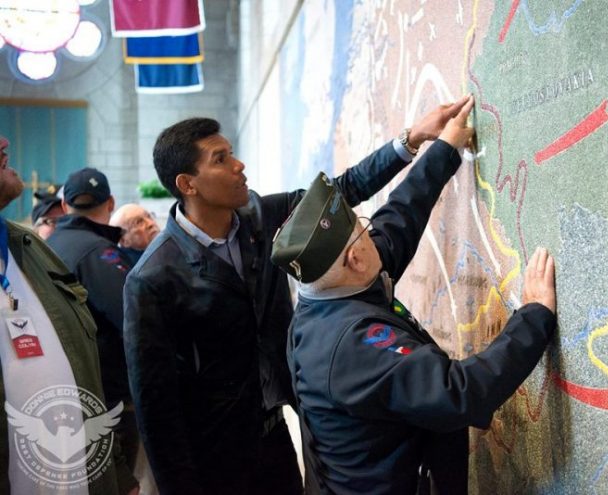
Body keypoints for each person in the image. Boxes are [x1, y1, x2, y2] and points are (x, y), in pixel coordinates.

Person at [123, 99, 468, 495]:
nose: (239, 166)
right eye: (221, 159)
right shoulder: (152, 278)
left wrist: (410, 140)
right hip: (216, 454)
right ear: (188, 183)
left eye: (232, 154)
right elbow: (155, 404)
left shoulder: (262, 218)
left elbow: (341, 192)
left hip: (277, 433)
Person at [271, 96, 558, 493]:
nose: (373, 233)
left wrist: (442, 149)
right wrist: (535, 315)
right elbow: (460, 393)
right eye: (363, 228)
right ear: (355, 258)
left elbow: (398, 222)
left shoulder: (325, 294)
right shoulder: (353, 348)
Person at [0, 136, 138, 494]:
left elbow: (83, 370)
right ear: (111, 204)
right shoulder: (98, 251)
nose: (4, 140)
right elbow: (134, 329)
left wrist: (116, 467)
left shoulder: (31, 248)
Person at [46, 168, 140, 474]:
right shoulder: (98, 252)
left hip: (66, 392)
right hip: (107, 398)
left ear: (63, 206)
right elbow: (132, 320)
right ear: (111, 203)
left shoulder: (46, 246)